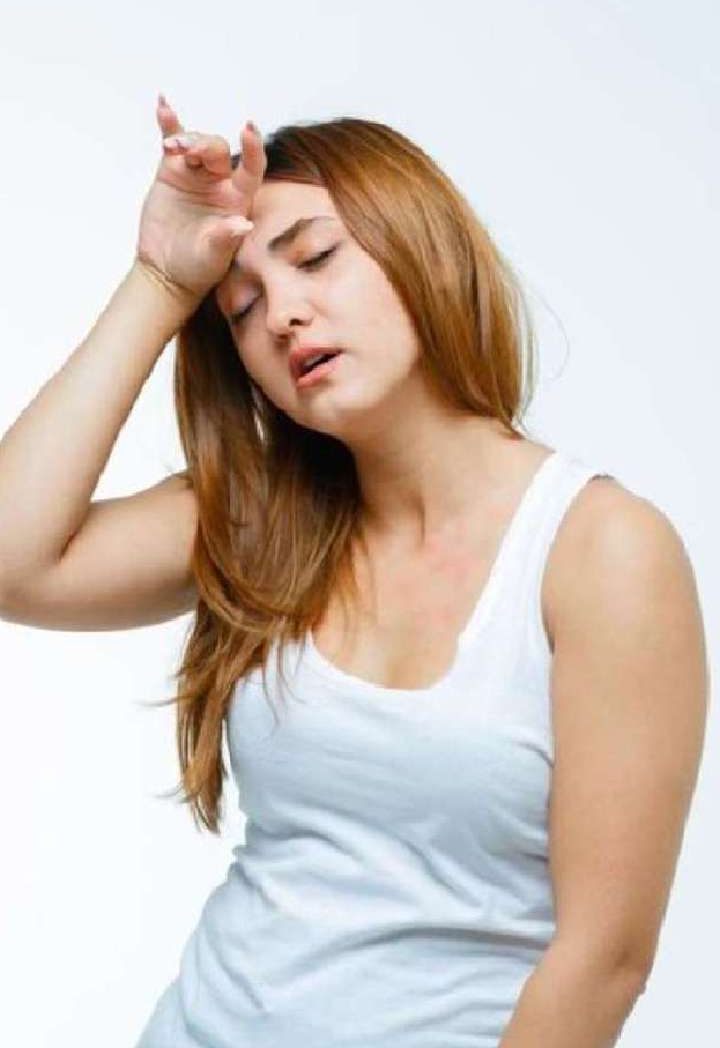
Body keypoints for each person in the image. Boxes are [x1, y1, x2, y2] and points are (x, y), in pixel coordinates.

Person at [0, 98, 708, 1048]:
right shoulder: (261, 517)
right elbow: (13, 562)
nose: (283, 314)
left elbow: (603, 960)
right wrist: (161, 279)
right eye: (242, 309)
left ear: (422, 241)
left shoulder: (600, 551)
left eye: (316, 257)